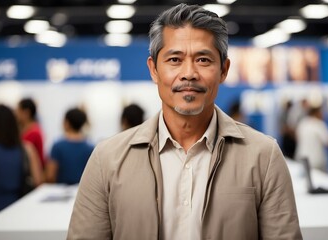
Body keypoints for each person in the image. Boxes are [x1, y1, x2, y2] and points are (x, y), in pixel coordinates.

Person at [68, 4, 302, 240]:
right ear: (154, 70)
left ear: (224, 69)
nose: (189, 73)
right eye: (174, 59)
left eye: (203, 59)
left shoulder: (263, 156)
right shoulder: (107, 158)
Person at [45, 108, 94, 184]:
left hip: (60, 190)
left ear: (67, 123)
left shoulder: (58, 146)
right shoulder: (90, 147)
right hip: (81, 190)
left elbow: (50, 175)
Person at [294, 106, 328, 172]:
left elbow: (297, 137)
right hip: (316, 162)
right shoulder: (319, 124)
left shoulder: (302, 123)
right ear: (316, 113)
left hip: (302, 158)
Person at [16, 98, 46, 169]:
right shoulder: (25, 130)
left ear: (26, 112)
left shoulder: (34, 133)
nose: (16, 114)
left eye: (18, 111)